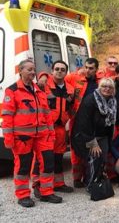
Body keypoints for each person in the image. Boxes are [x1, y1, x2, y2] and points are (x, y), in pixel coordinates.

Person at [1, 59, 62, 207]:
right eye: (29, 70)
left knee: (48, 163)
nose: (33, 72)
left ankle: (46, 192)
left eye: (34, 69)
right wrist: (8, 138)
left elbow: (47, 114)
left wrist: (51, 133)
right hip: (22, 137)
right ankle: (23, 195)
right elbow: (7, 116)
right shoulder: (12, 90)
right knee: (23, 166)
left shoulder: (39, 90)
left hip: (43, 136)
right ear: (20, 71)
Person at [33, 61, 75, 195]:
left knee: (58, 157)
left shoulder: (70, 89)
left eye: (63, 69)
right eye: (56, 69)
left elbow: (71, 107)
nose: (59, 71)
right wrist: (43, 75)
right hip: (46, 128)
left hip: (61, 128)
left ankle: (58, 183)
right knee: (42, 158)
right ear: (51, 71)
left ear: (66, 72)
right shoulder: (44, 85)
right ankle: (37, 185)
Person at [70, 78, 116, 194]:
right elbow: (84, 123)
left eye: (110, 87)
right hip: (88, 135)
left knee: (102, 159)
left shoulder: (112, 101)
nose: (107, 89)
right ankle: (91, 186)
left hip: (103, 135)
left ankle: (95, 180)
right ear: (99, 87)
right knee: (94, 158)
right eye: (104, 86)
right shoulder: (90, 100)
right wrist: (92, 142)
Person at [65, 57, 102, 187]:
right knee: (76, 149)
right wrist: (43, 76)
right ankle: (76, 179)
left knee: (91, 148)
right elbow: (57, 77)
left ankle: (88, 176)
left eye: (91, 68)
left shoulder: (100, 80)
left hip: (94, 120)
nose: (87, 70)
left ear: (96, 69)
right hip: (77, 119)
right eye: (86, 67)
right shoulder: (74, 78)